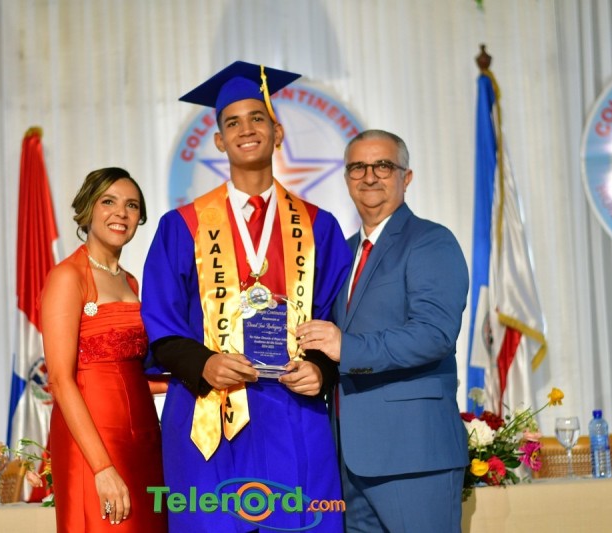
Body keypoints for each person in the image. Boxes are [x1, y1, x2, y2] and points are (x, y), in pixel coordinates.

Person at [141, 61, 351, 532]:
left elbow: (337, 319)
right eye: (232, 122)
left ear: (277, 132)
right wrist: (204, 363)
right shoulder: (183, 227)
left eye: (258, 118)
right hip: (209, 411)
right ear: (219, 141)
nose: (246, 129)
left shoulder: (319, 227)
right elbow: (160, 323)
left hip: (292, 410)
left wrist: (322, 369)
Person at [296, 130, 469, 532]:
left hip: (413, 456)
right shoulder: (341, 252)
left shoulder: (431, 241)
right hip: (348, 459)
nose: (370, 176)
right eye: (358, 167)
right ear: (346, 179)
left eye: (383, 166)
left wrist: (347, 348)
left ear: (407, 177)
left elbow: (434, 334)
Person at [41, 167, 167, 533]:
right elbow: (61, 380)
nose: (121, 213)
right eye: (108, 202)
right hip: (93, 442)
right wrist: (102, 467)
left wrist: (189, 381)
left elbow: (127, 375)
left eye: (132, 205)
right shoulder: (68, 277)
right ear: (88, 209)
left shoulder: (131, 281)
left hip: (143, 437)